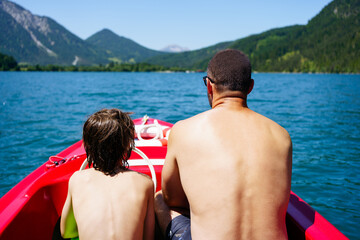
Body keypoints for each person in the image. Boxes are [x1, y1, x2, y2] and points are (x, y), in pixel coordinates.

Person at [155, 49, 292, 240]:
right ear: (250, 87)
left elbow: (173, 199)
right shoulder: (282, 136)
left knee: (159, 198)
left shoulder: (184, 130)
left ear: (209, 86)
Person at [61, 108, 155, 240]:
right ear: (128, 145)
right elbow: (148, 237)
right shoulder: (145, 183)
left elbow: (66, 232)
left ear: (88, 146)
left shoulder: (77, 179)